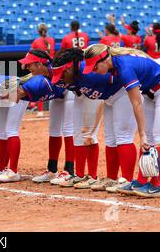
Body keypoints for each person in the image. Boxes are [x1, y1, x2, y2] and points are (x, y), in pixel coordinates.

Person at [83, 44, 160, 197]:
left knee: (159, 138)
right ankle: (141, 181)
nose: (94, 71)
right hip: (151, 93)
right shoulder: (115, 65)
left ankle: (155, 185)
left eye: (94, 67)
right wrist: (144, 136)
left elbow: (136, 103)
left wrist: (141, 133)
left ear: (103, 60)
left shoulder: (123, 67)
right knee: (149, 139)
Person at [51, 49, 137, 192]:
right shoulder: (75, 74)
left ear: (69, 68)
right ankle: (111, 178)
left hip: (122, 93)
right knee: (110, 138)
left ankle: (127, 180)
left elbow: (119, 76)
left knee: (122, 136)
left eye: (63, 74)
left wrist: (136, 98)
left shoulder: (90, 72)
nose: (62, 79)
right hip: (108, 97)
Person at [17, 49, 75, 185]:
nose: (27, 68)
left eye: (29, 65)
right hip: (59, 95)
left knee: (68, 130)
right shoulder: (39, 77)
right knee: (54, 130)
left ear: (39, 64)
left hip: (71, 92)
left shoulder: (55, 68)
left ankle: (69, 171)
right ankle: (52, 169)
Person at [30, 24, 55, 117]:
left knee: (39, 87)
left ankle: (40, 110)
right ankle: (53, 109)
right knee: (54, 86)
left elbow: (30, 53)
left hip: (41, 66)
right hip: (51, 66)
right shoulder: (52, 39)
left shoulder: (36, 41)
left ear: (38, 31)